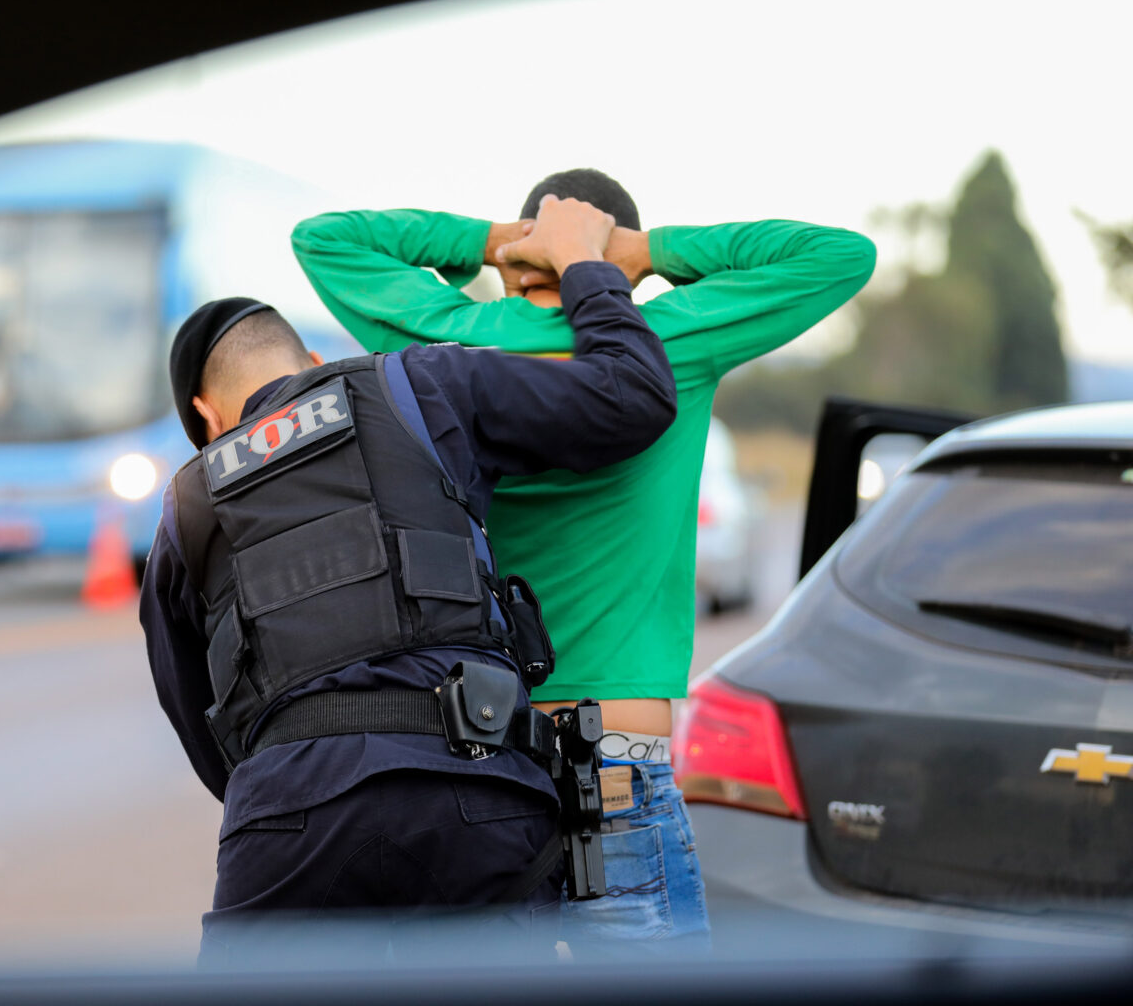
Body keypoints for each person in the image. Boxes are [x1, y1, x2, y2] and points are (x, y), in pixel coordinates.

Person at [291, 172, 877, 951]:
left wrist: (494, 240)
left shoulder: (445, 346)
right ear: (615, 267)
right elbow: (838, 255)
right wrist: (631, 251)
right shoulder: (669, 344)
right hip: (616, 769)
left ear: (516, 261)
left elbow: (325, 239)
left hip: (480, 764)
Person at [139, 196, 677, 966]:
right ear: (315, 365)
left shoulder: (187, 503)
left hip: (287, 822)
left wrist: (305, 794)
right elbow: (632, 398)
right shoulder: (416, 387)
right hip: (471, 788)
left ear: (206, 416)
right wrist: (588, 269)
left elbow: (202, 729)